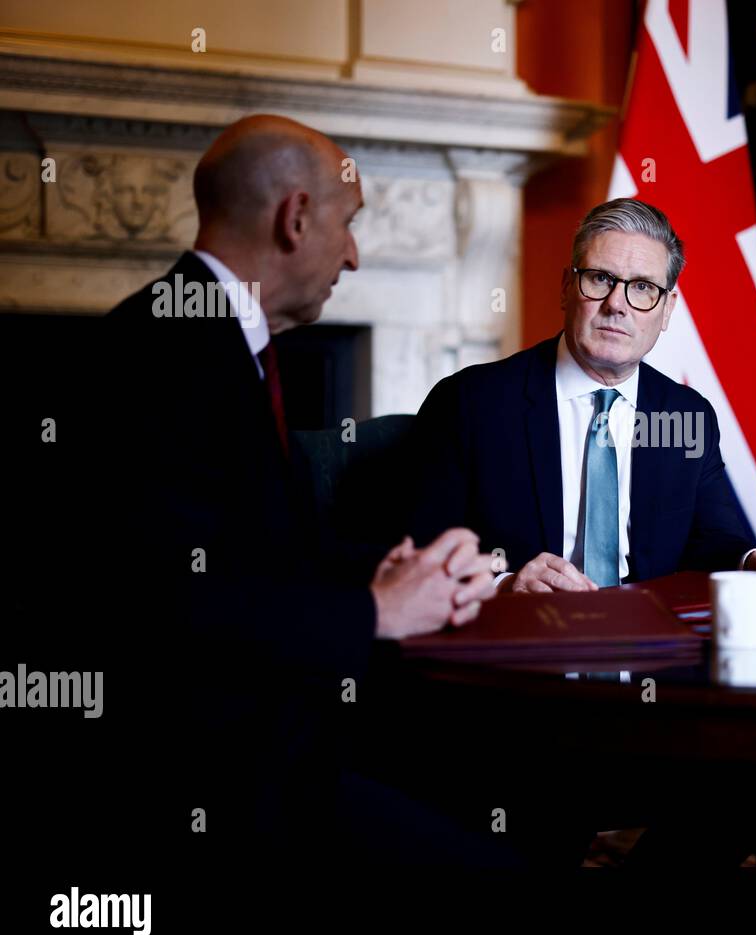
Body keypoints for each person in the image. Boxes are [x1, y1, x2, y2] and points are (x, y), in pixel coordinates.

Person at [42, 114, 504, 877]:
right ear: (295, 218)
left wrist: (404, 568)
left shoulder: (218, 341)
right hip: (209, 790)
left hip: (271, 753)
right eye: (348, 225)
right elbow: (159, 601)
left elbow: (260, 551)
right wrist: (379, 612)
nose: (354, 255)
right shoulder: (163, 354)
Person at [406, 198, 756, 591]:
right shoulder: (470, 402)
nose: (617, 304)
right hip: (520, 640)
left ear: (667, 310)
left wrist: (750, 560)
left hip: (648, 645)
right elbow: (418, 553)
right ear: (567, 287)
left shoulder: (687, 415)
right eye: (600, 278)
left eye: (644, 287)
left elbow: (714, 541)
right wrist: (503, 585)